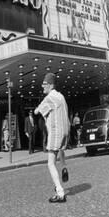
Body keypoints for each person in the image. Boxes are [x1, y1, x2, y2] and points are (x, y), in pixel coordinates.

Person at [34, 72, 70, 203]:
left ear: (50, 85)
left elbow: (37, 110)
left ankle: (60, 192)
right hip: (65, 131)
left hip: (56, 132)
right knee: (60, 150)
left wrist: (37, 109)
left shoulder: (51, 97)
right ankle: (64, 167)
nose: (42, 86)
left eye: (44, 84)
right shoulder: (61, 96)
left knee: (50, 163)